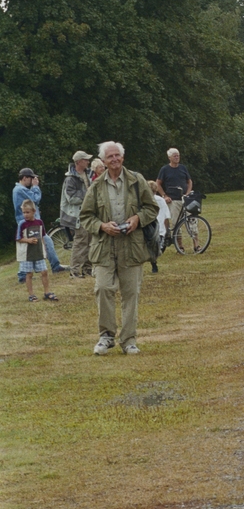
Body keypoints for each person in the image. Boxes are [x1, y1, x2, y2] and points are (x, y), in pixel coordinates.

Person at [79, 141, 159, 355]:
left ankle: (129, 340)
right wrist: (102, 226)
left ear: (122, 158)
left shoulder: (136, 180)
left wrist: (137, 219)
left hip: (132, 246)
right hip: (104, 247)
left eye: (117, 155)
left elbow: (152, 208)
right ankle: (106, 336)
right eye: (110, 157)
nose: (114, 159)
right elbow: (85, 217)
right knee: (103, 288)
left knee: (130, 293)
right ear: (103, 161)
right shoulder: (95, 186)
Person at [12, 168, 69, 282]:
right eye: (31, 178)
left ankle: (54, 266)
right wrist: (36, 187)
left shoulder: (19, 189)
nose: (33, 180)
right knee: (33, 247)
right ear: (25, 178)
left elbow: (31, 204)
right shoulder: (19, 189)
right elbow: (35, 199)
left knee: (45, 243)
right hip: (28, 224)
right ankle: (23, 275)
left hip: (33, 222)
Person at [60, 150, 94, 278]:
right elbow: (71, 198)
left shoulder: (88, 174)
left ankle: (87, 268)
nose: (88, 162)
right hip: (76, 216)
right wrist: (88, 195)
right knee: (80, 243)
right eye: (85, 160)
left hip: (87, 213)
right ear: (79, 162)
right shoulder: (70, 179)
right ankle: (74, 271)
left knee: (90, 241)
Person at [17, 199, 58, 303]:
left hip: (38, 252)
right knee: (29, 274)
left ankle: (47, 292)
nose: (25, 215)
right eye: (23, 212)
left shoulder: (39, 222)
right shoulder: (22, 224)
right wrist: (28, 240)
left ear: (34, 211)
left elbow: (42, 236)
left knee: (44, 272)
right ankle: (31, 295)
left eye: (27, 212)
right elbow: (18, 238)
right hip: (27, 254)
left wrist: (44, 249)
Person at [155, 148, 192, 234]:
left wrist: (188, 193)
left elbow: (189, 181)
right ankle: (180, 245)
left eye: (178, 155)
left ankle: (196, 245)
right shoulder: (164, 169)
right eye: (174, 156)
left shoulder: (183, 168)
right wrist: (164, 196)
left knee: (192, 221)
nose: (177, 157)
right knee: (176, 224)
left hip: (185, 199)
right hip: (173, 200)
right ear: (169, 157)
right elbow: (158, 183)